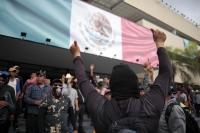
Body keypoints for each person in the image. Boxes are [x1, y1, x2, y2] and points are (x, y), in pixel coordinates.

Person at [69, 28, 172, 133]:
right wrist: (160, 42)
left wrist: (77, 55)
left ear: (112, 87)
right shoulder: (150, 104)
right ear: (136, 86)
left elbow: (83, 81)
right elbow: (166, 74)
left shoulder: (100, 107)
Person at [8, 67, 21, 132]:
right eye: (11, 72)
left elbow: (18, 90)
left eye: (14, 72)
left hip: (14, 99)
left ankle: (15, 126)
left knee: (14, 113)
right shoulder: (6, 79)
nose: (12, 73)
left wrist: (16, 97)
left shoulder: (17, 80)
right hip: (6, 98)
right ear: (9, 72)